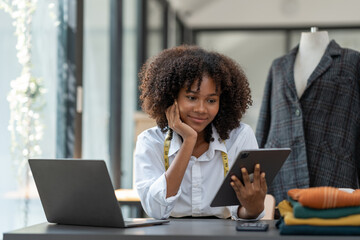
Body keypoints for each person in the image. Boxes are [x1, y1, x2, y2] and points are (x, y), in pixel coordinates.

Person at [134, 45, 267, 220]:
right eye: (191, 98)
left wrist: (253, 209)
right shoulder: (151, 141)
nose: (201, 109)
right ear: (171, 97)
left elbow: (242, 212)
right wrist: (189, 140)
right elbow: (157, 211)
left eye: (211, 100)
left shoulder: (239, 137)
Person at [256, 28, 360, 204]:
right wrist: (256, 169)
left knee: (334, 228)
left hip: (333, 170)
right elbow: (265, 120)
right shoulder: (279, 66)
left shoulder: (352, 62)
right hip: (283, 173)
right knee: (282, 227)